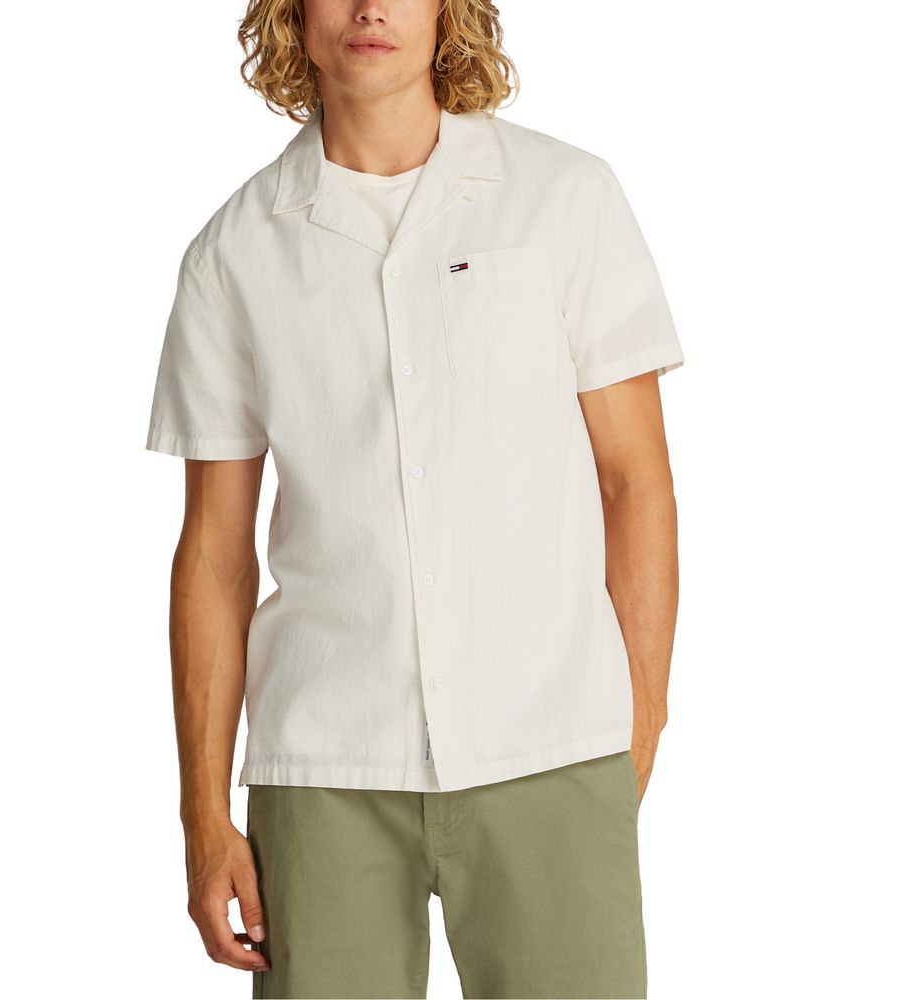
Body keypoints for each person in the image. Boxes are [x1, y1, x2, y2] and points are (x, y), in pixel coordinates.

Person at [144, 1, 683, 997]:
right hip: (325, 763)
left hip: (549, 739)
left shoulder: (563, 198)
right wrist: (203, 818)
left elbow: (634, 479)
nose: (370, 8)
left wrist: (638, 717)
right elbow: (214, 552)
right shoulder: (234, 252)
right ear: (290, 13)